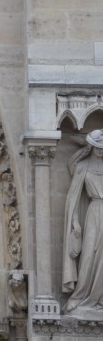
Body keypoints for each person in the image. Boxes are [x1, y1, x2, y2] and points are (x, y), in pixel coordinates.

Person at [64, 129, 103, 315]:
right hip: (94, 212)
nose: (100, 151)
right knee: (88, 256)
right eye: (97, 147)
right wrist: (75, 222)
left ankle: (99, 299)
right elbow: (73, 199)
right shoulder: (83, 167)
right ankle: (80, 297)